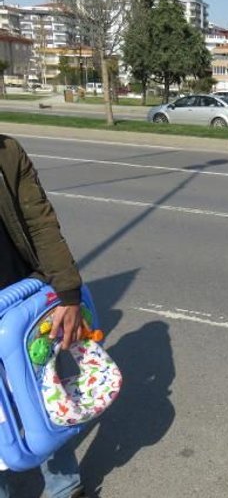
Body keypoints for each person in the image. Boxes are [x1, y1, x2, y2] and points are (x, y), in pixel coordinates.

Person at [0, 134, 86, 498]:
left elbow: (40, 222)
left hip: (22, 302)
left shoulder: (6, 151)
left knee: (44, 392)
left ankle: (65, 486)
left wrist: (68, 292)